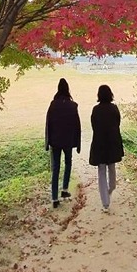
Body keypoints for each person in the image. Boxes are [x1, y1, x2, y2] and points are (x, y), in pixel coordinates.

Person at [45, 78, 81, 208]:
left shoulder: (53, 104)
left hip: (55, 141)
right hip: (68, 140)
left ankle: (54, 198)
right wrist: (77, 142)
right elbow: (77, 124)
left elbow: (48, 123)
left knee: (56, 168)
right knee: (68, 163)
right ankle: (64, 189)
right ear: (68, 89)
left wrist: (48, 142)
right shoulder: (73, 105)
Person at [89, 84, 124, 212]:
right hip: (112, 142)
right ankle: (109, 191)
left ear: (99, 95)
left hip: (99, 143)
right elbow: (117, 123)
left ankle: (105, 201)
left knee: (102, 171)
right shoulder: (114, 108)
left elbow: (93, 125)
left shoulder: (95, 109)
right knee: (112, 168)